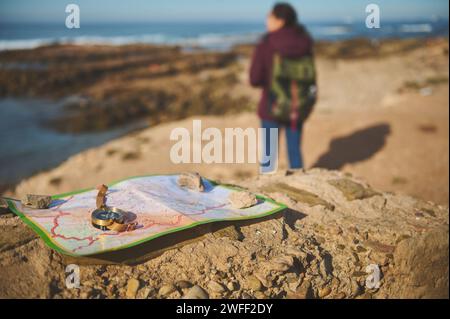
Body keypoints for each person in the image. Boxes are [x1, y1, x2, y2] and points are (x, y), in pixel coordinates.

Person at [250, 2, 316, 173]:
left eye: (269, 16)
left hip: (272, 106)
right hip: (298, 104)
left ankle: (266, 191)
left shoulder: (267, 43)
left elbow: (254, 78)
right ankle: (300, 186)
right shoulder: (304, 41)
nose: (267, 20)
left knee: (269, 156)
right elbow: (310, 75)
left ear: (280, 20)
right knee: (295, 152)